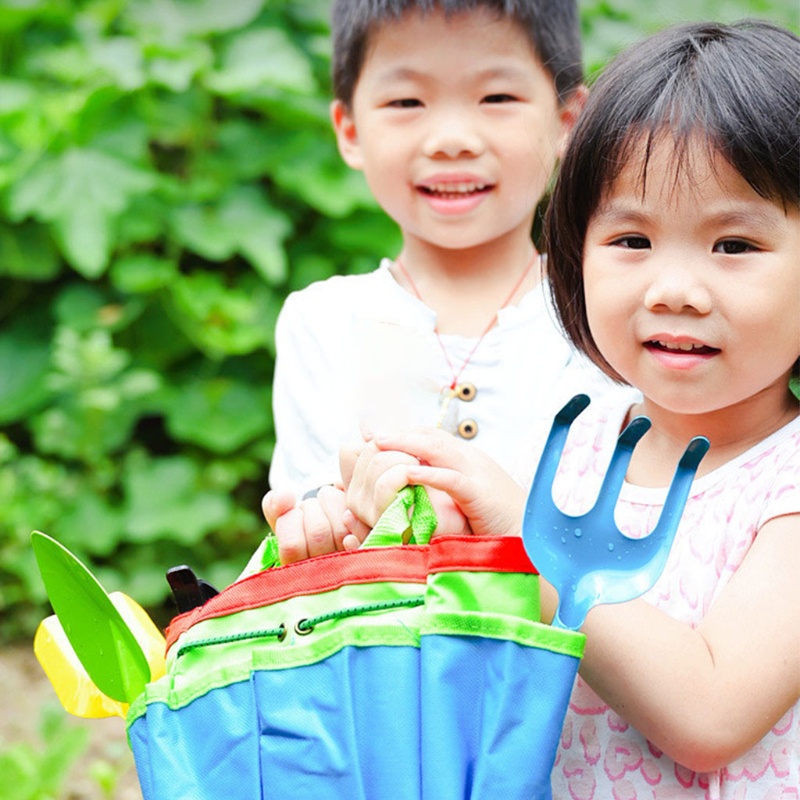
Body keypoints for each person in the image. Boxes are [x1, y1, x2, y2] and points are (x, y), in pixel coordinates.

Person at [336, 20, 800, 797]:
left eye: (733, 246)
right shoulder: (585, 439)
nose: (673, 289)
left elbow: (711, 714)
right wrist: (428, 523)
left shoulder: (786, 487)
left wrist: (521, 531)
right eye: (630, 240)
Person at [266, 0, 619, 504]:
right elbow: (316, 528)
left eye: (496, 97)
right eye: (406, 102)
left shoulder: (607, 311)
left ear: (567, 120)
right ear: (349, 130)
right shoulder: (322, 322)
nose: (452, 141)